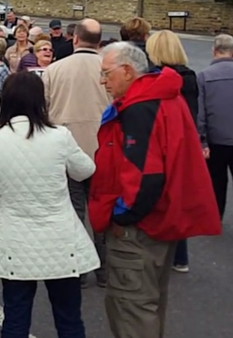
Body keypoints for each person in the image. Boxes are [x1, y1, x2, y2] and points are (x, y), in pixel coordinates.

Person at [92, 42, 220, 338]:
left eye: (106, 73)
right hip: (164, 220)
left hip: (139, 229)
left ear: (127, 71)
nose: (103, 81)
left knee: (131, 308)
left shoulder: (139, 108)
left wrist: (122, 216)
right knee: (150, 304)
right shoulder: (165, 96)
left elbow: (145, 175)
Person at [0, 72, 99, 337]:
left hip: (14, 239)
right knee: (69, 319)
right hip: (60, 240)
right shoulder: (59, 135)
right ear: (41, 100)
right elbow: (85, 170)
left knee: (15, 318)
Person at [42, 17, 110, 286]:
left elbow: (43, 111)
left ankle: (80, 269)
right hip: (103, 149)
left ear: (75, 39)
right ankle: (104, 270)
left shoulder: (55, 70)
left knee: (74, 210)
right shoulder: (110, 69)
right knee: (102, 212)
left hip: (67, 149)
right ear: (100, 41)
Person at [146, 30, 199, 272]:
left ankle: (159, 252)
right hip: (184, 140)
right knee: (178, 195)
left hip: (161, 140)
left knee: (158, 195)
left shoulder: (155, 80)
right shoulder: (189, 77)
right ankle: (181, 256)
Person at [197, 34, 233, 220]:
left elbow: (200, 113)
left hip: (216, 139)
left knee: (217, 181)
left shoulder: (204, 76)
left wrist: (202, 141)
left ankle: (215, 217)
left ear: (214, 51)